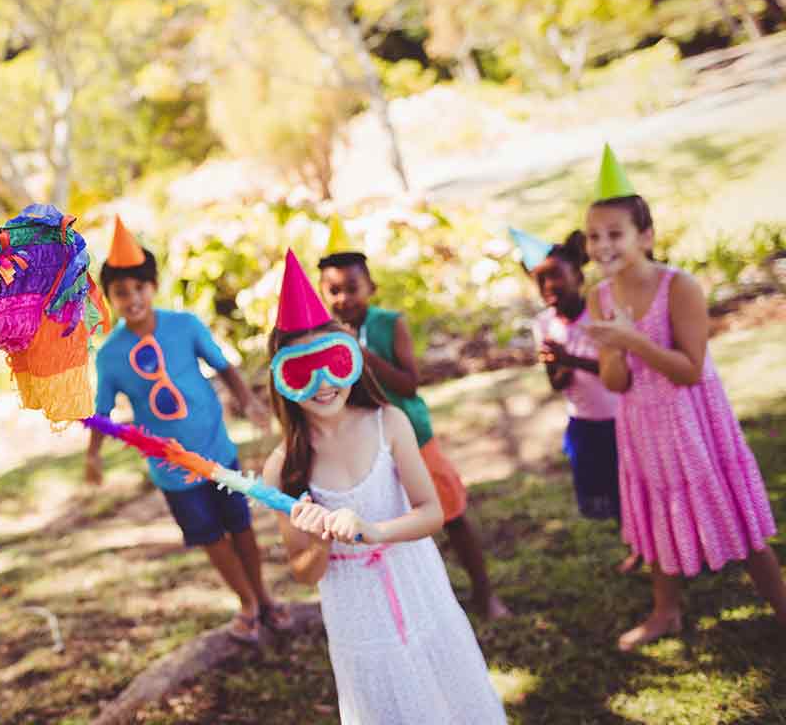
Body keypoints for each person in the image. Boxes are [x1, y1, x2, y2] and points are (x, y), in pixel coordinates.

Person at [263, 249, 506, 724]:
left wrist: (375, 531)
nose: (322, 383)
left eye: (332, 361)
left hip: (421, 590)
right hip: (358, 620)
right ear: (281, 379)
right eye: (301, 371)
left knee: (452, 696)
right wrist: (315, 538)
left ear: (351, 358)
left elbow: (432, 512)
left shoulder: (388, 423)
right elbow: (306, 573)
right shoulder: (285, 469)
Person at [582, 145, 786, 650]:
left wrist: (633, 341)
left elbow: (691, 371)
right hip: (641, 424)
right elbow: (615, 384)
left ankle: (781, 603)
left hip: (694, 420)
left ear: (645, 237)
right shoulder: (598, 297)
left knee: (732, 512)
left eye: (615, 234)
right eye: (593, 236)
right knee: (655, 514)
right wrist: (615, 352)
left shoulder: (679, 287)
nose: (602, 245)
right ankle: (665, 611)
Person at [84, 216, 290, 643]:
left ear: (153, 287)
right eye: (121, 293)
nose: (132, 299)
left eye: (139, 288)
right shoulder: (111, 356)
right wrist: (93, 454)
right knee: (211, 536)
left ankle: (265, 597)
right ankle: (247, 602)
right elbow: (101, 412)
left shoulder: (185, 325)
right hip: (172, 468)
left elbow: (222, 366)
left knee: (241, 526)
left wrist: (249, 401)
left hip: (217, 449)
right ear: (111, 299)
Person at [316, 245, 510, 619]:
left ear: (370, 287)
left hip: (412, 436)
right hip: (365, 447)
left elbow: (408, 384)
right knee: (389, 520)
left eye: (351, 288)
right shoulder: (322, 337)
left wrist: (361, 353)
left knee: (448, 512)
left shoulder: (391, 324)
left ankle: (485, 594)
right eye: (333, 290)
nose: (343, 298)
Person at [521, 227, 641, 573]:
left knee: (636, 483)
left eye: (556, 277)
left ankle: (656, 541)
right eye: (540, 282)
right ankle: (635, 545)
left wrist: (569, 357)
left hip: (620, 417)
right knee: (612, 489)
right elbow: (558, 384)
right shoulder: (544, 324)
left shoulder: (600, 313)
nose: (549, 288)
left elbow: (617, 371)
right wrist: (557, 365)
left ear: (577, 273)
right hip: (585, 423)